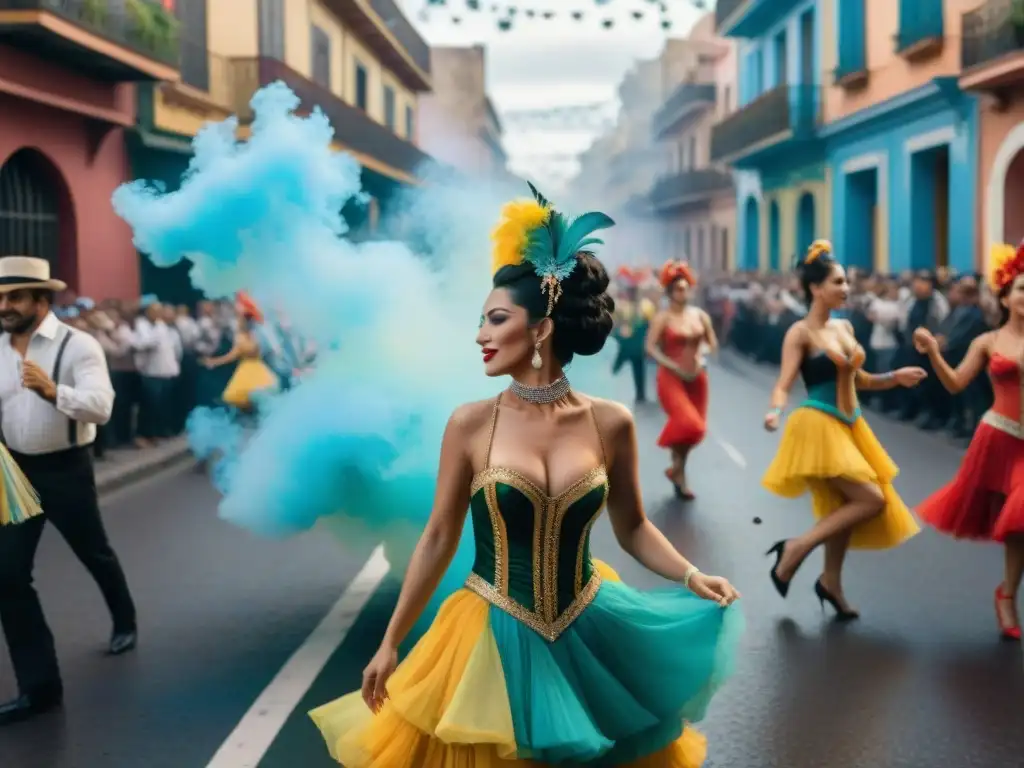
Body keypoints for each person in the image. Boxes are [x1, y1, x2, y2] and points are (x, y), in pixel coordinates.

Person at [308, 184, 742, 767]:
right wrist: (390, 643)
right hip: (488, 635)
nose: (481, 334)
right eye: (482, 320)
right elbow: (439, 537)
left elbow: (634, 527)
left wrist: (692, 577)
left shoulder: (610, 423)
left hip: (588, 626)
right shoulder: (469, 425)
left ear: (540, 329)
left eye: (496, 319)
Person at [0, 256, 137, 726]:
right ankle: (39, 689)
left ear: (42, 299)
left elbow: (100, 408)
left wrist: (52, 390)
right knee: (8, 577)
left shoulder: (78, 346)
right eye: (0, 297)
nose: (5, 305)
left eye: (15, 296)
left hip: (66, 470)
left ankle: (124, 619)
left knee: (93, 551)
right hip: (14, 473)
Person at [761, 241, 924, 619]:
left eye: (847, 281)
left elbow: (860, 380)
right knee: (872, 499)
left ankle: (830, 581)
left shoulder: (845, 326)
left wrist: (895, 377)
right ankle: (795, 549)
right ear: (816, 288)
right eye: (838, 282)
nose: (846, 288)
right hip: (817, 423)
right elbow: (784, 382)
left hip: (850, 424)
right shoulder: (799, 333)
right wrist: (774, 411)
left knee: (846, 504)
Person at [912, 242, 1024, 640]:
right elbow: (957, 383)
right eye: (1022, 289)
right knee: (1019, 519)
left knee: (1021, 518)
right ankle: (1008, 596)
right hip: (998, 438)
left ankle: (1007, 591)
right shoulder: (988, 341)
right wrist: (932, 354)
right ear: (1006, 296)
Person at [646, 261, 717, 500]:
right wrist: (671, 364)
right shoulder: (663, 318)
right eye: (678, 288)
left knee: (696, 429)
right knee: (688, 424)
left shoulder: (700, 316)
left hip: (698, 378)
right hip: (670, 377)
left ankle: (678, 471)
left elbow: (711, 343)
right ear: (669, 292)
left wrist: (702, 357)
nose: (682, 292)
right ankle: (677, 470)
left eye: (686, 288)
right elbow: (651, 347)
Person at [201, 291, 278, 411]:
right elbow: (235, 353)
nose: (238, 319)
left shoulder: (255, 332)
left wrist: (214, 361)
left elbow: (237, 354)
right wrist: (214, 361)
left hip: (256, 369)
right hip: (250, 369)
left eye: (240, 317)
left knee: (259, 400)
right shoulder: (245, 334)